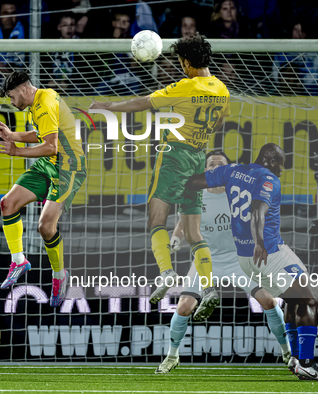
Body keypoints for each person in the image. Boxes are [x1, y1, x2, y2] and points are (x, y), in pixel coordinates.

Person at [89, 33, 230, 321]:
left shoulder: (184, 86)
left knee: (156, 219)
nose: (180, 67)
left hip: (174, 155)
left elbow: (143, 103)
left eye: (181, 61)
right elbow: (221, 121)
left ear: (188, 62)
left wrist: (109, 107)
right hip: (198, 156)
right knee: (193, 232)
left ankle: (166, 273)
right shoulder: (221, 89)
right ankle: (210, 286)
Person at [185, 143, 318, 380]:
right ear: (272, 161)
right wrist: (259, 242)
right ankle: (306, 363)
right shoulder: (268, 180)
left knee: (294, 297)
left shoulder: (231, 171)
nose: (283, 170)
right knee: (310, 299)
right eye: (282, 163)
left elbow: (192, 183)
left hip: (264, 251)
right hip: (265, 253)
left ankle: (295, 358)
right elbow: (257, 212)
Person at [156, 151, 291, 374]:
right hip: (206, 261)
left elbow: (259, 216)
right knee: (183, 307)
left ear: (228, 170)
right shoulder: (196, 196)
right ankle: (172, 356)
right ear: (205, 169)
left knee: (268, 302)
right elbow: (183, 221)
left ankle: (287, 352)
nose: (214, 167)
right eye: (210, 164)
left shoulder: (238, 193)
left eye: (220, 164)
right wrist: (176, 238)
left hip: (238, 260)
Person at [0, 71, 86, 307]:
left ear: (23, 89)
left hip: (69, 167)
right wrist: (13, 135)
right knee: (7, 203)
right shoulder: (41, 100)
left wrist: (17, 150)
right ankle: (19, 260)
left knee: (45, 227)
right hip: (50, 165)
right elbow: (42, 134)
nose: (12, 102)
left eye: (12, 97)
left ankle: (59, 276)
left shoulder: (43, 103)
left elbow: (51, 146)